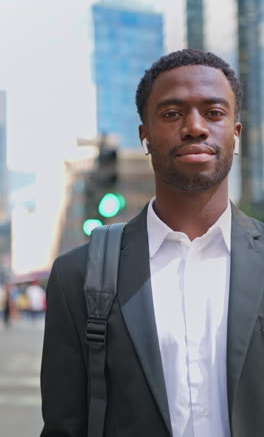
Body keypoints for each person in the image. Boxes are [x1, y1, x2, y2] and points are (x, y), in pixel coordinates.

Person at [40, 49, 264, 437]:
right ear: (144, 135)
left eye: (214, 113)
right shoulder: (77, 275)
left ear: (236, 132)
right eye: (172, 114)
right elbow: (64, 426)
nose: (195, 127)